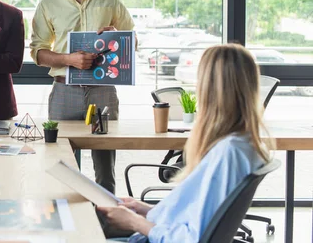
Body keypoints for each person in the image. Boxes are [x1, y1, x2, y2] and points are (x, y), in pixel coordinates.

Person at [97, 44, 274, 242]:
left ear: (210, 89)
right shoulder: (243, 144)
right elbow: (192, 216)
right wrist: (143, 209)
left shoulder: (229, 152)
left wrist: (134, 222)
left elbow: (192, 238)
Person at [30, 0, 134, 194]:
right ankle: (67, 226)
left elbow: (131, 40)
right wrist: (69, 60)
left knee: (105, 170)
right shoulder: (49, 4)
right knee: (61, 168)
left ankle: (105, 225)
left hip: (103, 92)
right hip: (65, 92)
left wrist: (118, 35)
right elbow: (38, 52)